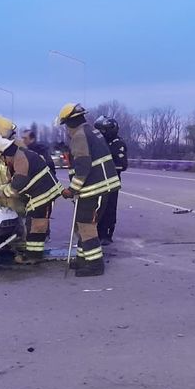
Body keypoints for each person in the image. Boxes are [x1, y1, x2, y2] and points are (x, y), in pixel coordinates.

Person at [57, 103, 121, 277]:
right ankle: (82, 259)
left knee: (86, 227)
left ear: (69, 122)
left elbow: (83, 165)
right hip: (100, 187)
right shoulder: (93, 132)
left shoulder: (79, 136)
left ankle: (94, 265)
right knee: (81, 225)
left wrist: (72, 189)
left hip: (93, 190)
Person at [0, 137, 63, 264]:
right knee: (34, 225)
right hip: (40, 194)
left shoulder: (20, 158)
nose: (4, 163)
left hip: (44, 195)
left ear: (5, 155)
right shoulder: (20, 155)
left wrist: (3, 193)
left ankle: (33, 257)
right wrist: (3, 189)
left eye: (3, 159)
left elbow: (19, 183)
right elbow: (15, 180)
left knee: (36, 226)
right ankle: (33, 254)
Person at [94, 116, 128, 245]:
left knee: (109, 208)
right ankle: (97, 232)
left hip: (112, 181)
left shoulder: (118, 144)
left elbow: (122, 165)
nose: (100, 133)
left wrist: (104, 166)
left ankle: (107, 234)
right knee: (98, 207)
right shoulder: (100, 142)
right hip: (99, 181)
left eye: (103, 130)